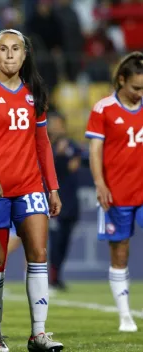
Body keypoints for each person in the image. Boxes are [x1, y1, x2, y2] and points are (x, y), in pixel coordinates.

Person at [0, 29, 64, 352]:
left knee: (38, 254)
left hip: (29, 186)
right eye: (3, 49)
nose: (9, 55)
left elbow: (42, 144)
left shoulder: (34, 91)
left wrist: (53, 186)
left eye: (16, 49)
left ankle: (39, 334)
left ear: (25, 54)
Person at [85, 51, 143, 333]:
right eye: (136, 88)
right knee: (120, 252)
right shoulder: (103, 109)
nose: (139, 94)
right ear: (122, 80)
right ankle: (125, 316)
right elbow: (95, 150)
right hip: (116, 193)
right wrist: (99, 182)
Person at [48, 112, 81, 291]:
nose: (57, 127)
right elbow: (45, 166)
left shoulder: (71, 145)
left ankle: (57, 275)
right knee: (56, 240)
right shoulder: (46, 146)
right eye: (54, 124)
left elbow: (79, 161)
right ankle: (52, 277)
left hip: (71, 200)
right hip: (55, 199)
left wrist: (72, 158)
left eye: (60, 124)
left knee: (66, 241)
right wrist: (58, 156)